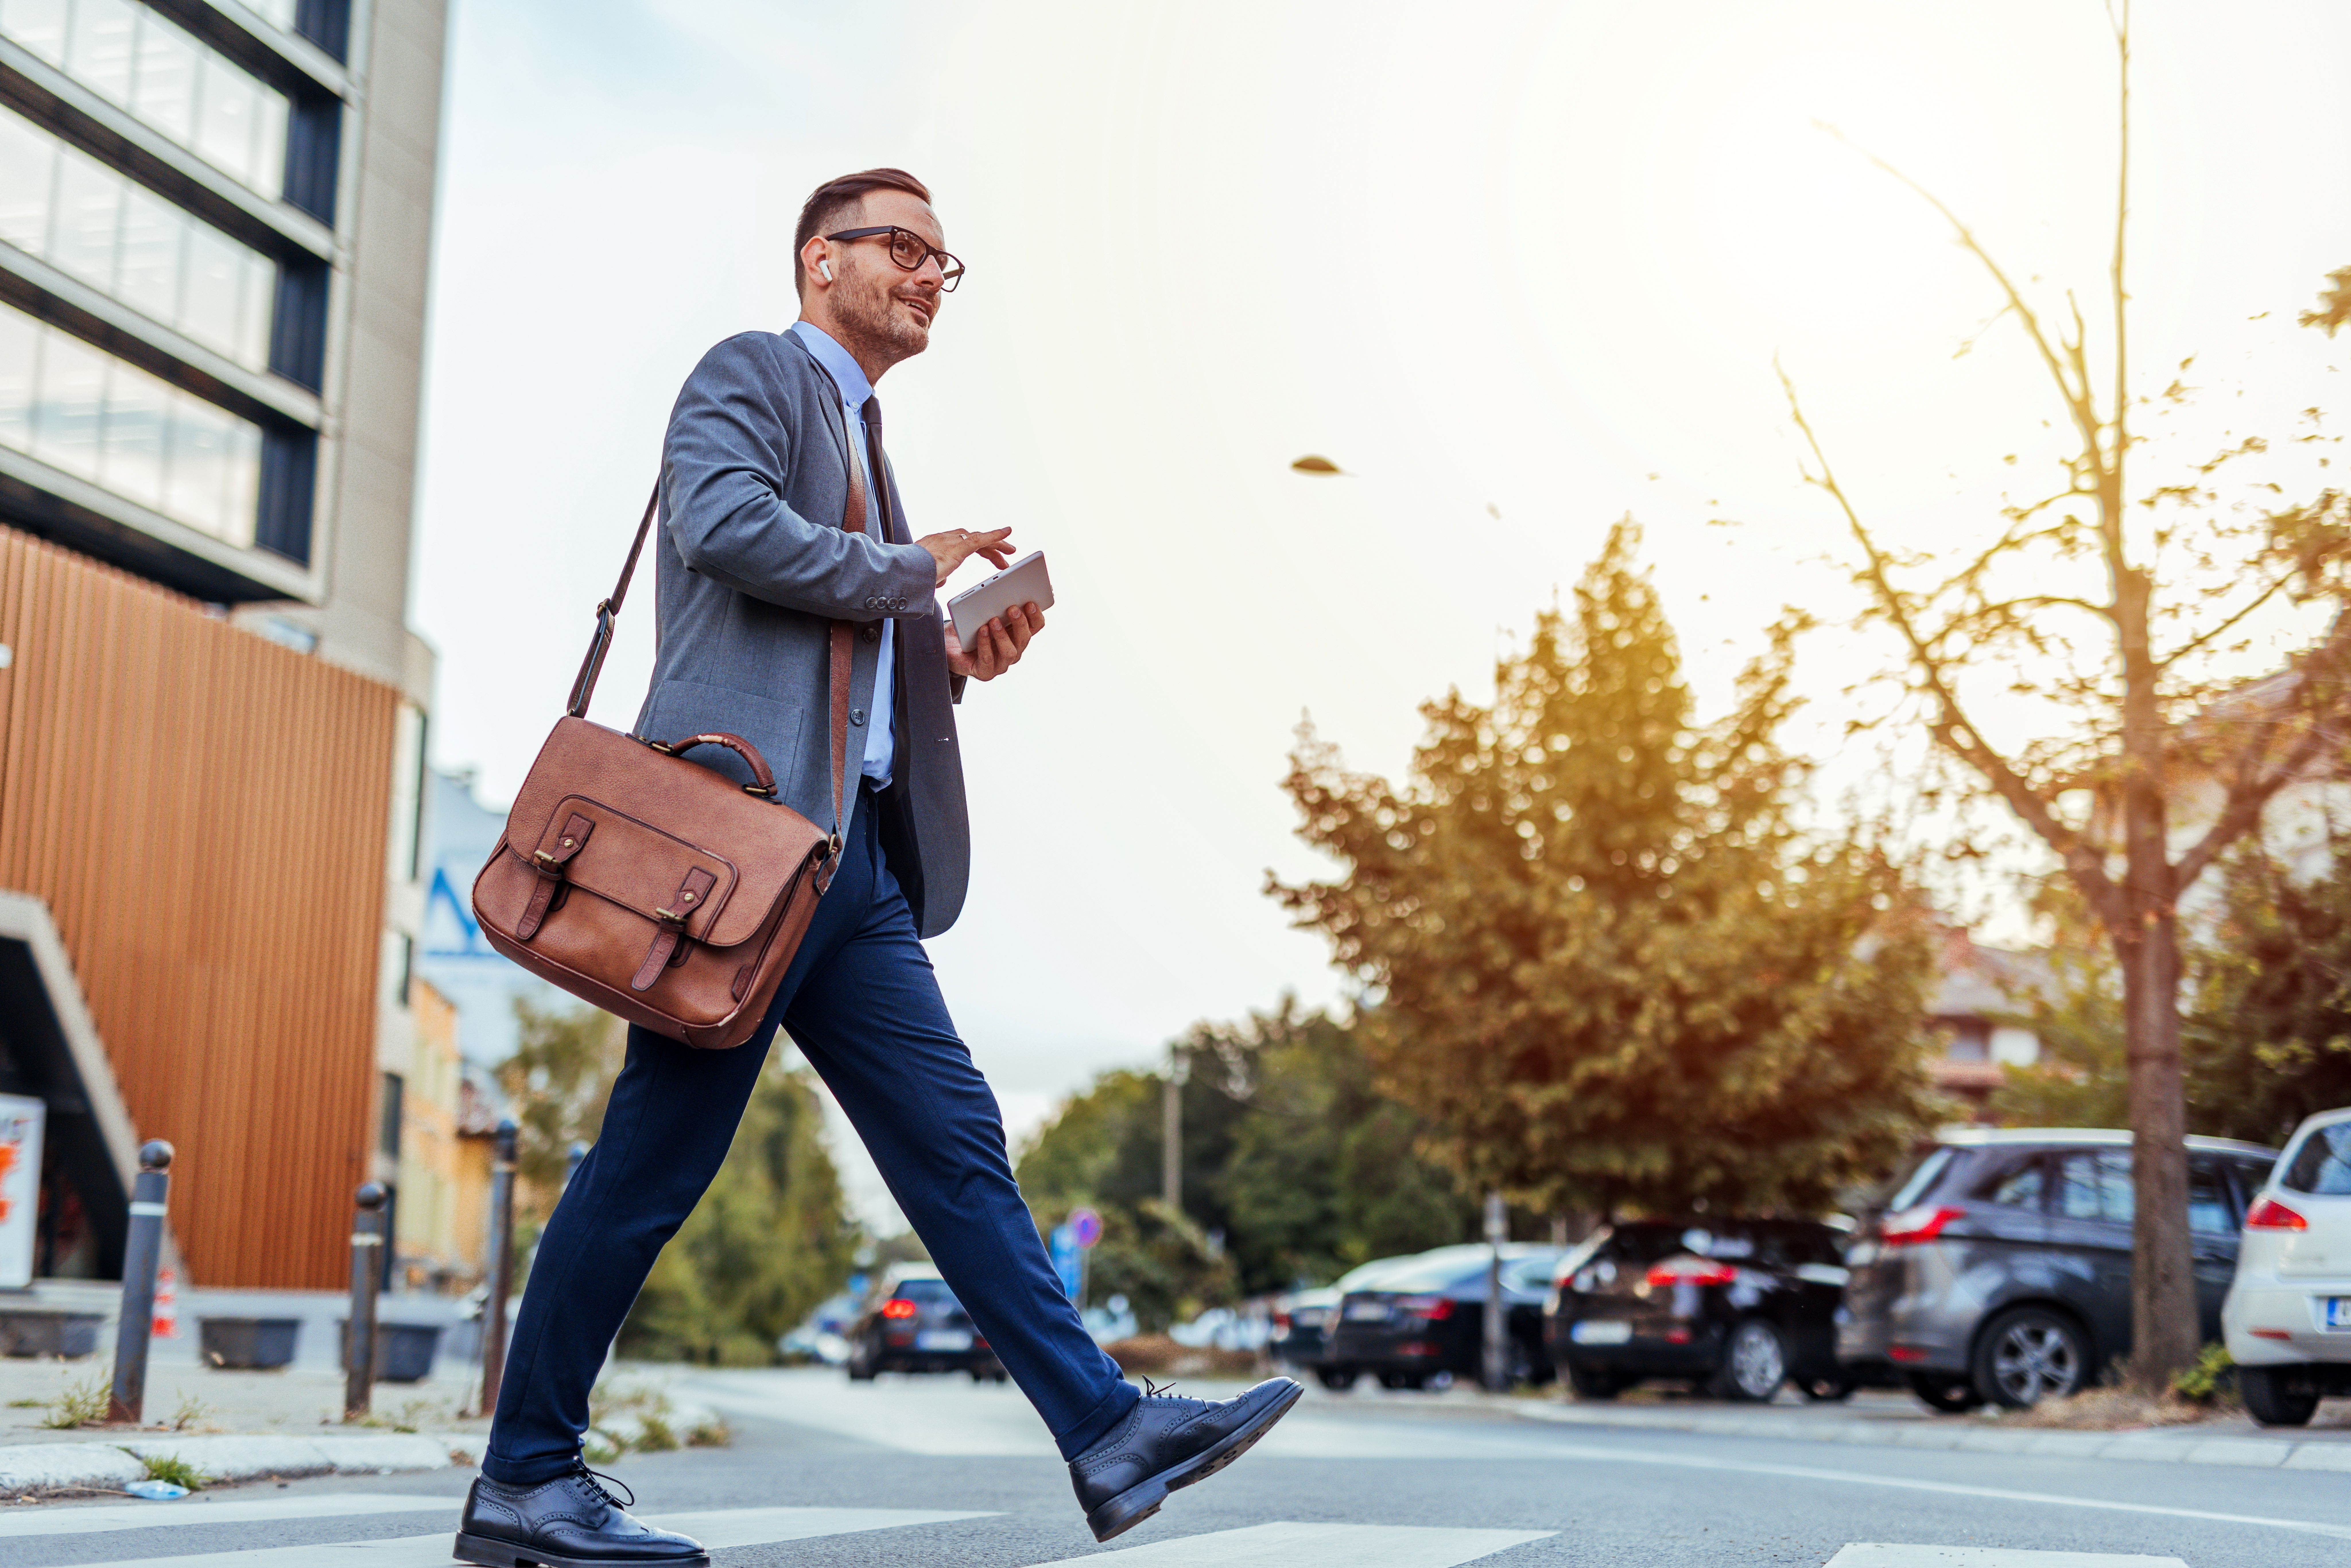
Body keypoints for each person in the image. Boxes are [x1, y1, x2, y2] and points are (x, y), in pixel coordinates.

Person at [453, 168, 1301, 1568]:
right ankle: (526, 1479)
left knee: (958, 1148)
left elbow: (841, 660)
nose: (925, 275)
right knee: (649, 1170)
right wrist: (911, 570)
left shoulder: (867, 435)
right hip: (739, 858)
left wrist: (949, 655)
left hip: (847, 873)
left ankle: (1105, 1428)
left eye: (940, 261)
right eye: (901, 246)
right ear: (817, 259)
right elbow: (724, 526)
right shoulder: (750, 372)